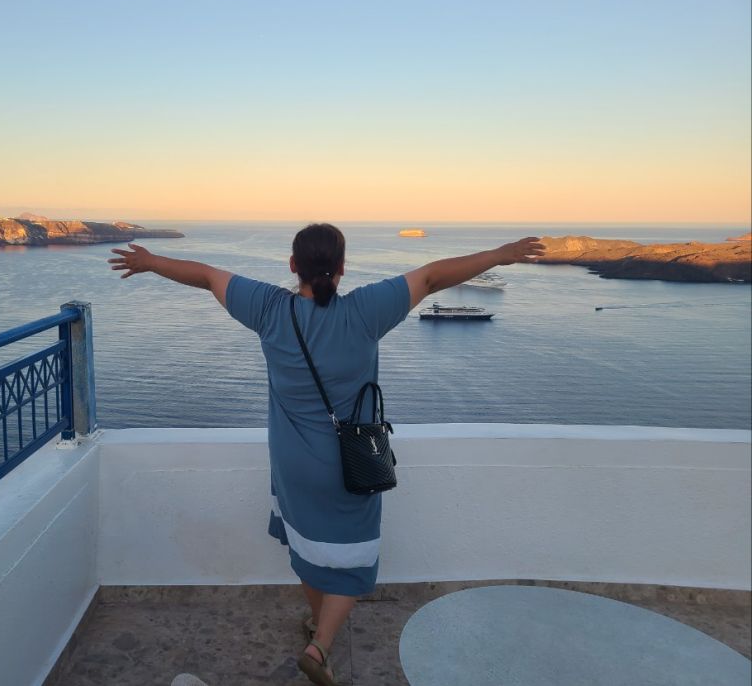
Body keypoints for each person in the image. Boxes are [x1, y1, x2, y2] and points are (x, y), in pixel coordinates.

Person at [109, 225, 545, 685]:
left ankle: (318, 623)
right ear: (342, 268)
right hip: (350, 462)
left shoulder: (268, 308)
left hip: (291, 463)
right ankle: (319, 647)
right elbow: (433, 276)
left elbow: (206, 276)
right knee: (355, 559)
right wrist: (500, 254)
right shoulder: (364, 312)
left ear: (292, 265)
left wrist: (150, 262)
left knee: (307, 544)